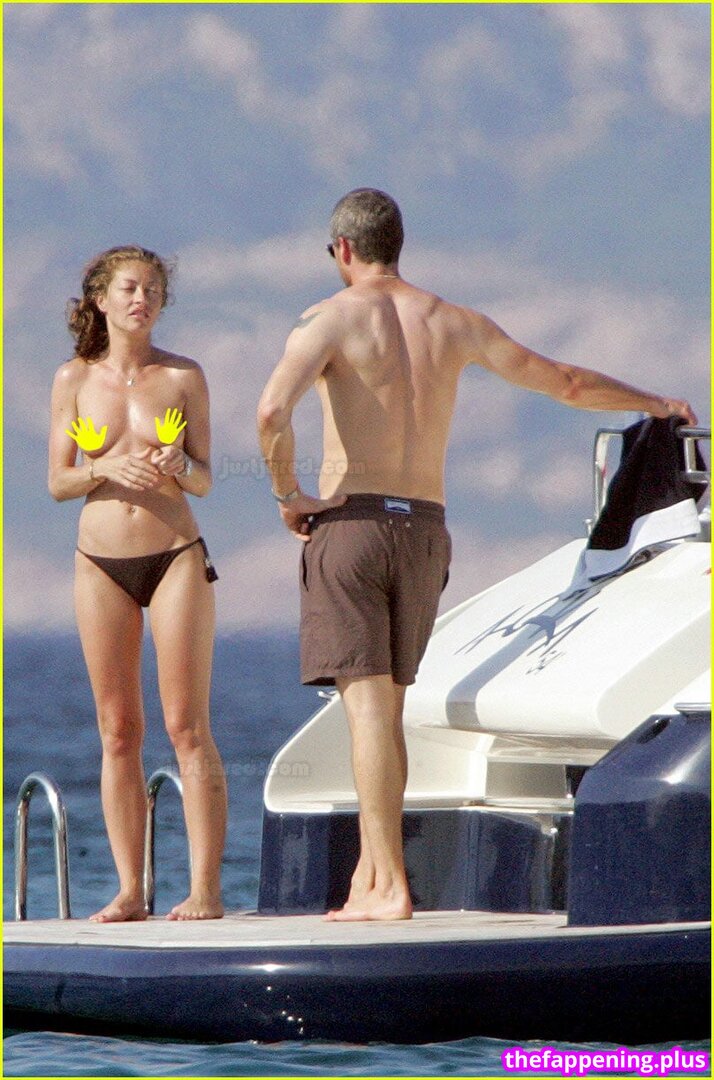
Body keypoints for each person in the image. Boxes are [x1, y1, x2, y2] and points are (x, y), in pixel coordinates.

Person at [257, 188, 697, 923]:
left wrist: (288, 493)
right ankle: (372, 876)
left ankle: (387, 886)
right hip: (425, 530)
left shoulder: (327, 320)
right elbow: (565, 381)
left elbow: (272, 410)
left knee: (367, 714)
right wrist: (657, 403)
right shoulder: (454, 322)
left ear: (343, 250)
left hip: (354, 524)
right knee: (387, 711)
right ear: (397, 244)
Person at [48, 245, 226, 922]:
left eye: (152, 289)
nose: (141, 299)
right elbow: (58, 481)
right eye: (128, 288)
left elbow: (205, 479)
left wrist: (181, 466)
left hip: (175, 553)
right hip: (99, 563)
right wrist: (103, 470)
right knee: (118, 729)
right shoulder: (73, 379)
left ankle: (205, 890)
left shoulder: (183, 377)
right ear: (100, 299)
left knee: (186, 725)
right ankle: (129, 889)